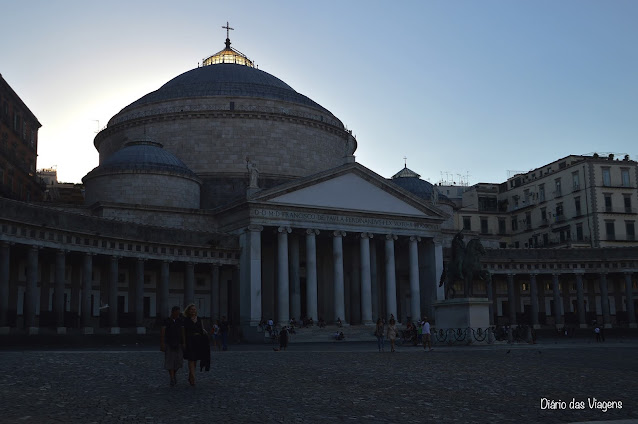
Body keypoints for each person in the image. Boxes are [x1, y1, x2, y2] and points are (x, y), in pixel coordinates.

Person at [183, 304, 210, 386]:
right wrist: (184, 343)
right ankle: (193, 377)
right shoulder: (186, 320)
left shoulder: (199, 319)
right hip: (190, 340)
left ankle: (191, 375)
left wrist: (205, 333)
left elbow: (202, 328)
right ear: (188, 311)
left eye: (194, 309)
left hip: (198, 340)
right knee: (191, 359)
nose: (193, 311)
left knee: (195, 360)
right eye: (191, 309)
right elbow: (183, 332)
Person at [160, 306, 184, 387]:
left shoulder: (180, 321)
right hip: (169, 343)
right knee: (169, 361)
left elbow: (182, 331)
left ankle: (173, 374)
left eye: (178, 313)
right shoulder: (166, 321)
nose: (177, 315)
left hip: (178, 343)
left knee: (179, 362)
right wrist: (162, 343)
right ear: (172, 312)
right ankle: (172, 378)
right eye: (176, 313)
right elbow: (163, 332)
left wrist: (184, 342)